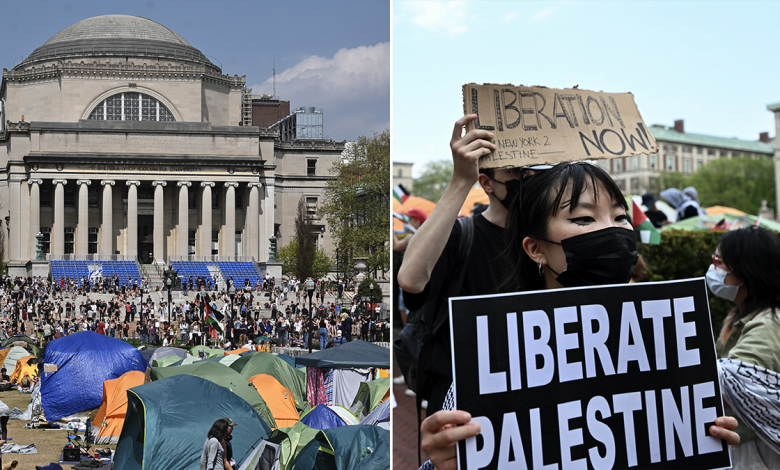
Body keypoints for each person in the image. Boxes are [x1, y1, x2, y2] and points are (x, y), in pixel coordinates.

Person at [419, 161, 742, 469]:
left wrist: (703, 439)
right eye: (584, 219)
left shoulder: (669, 340)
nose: (611, 231)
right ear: (536, 249)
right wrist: (446, 462)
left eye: (619, 217)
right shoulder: (494, 359)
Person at [397, 114, 523, 413]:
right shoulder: (460, 234)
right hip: (461, 391)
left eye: (533, 171)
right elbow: (411, 281)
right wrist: (460, 179)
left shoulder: (546, 237)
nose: (527, 179)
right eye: (516, 171)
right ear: (487, 183)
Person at [707, 227, 780, 467]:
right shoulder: (738, 316)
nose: (713, 269)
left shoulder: (768, 326)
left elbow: (731, 384)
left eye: (718, 261)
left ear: (746, 270)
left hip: (758, 449)